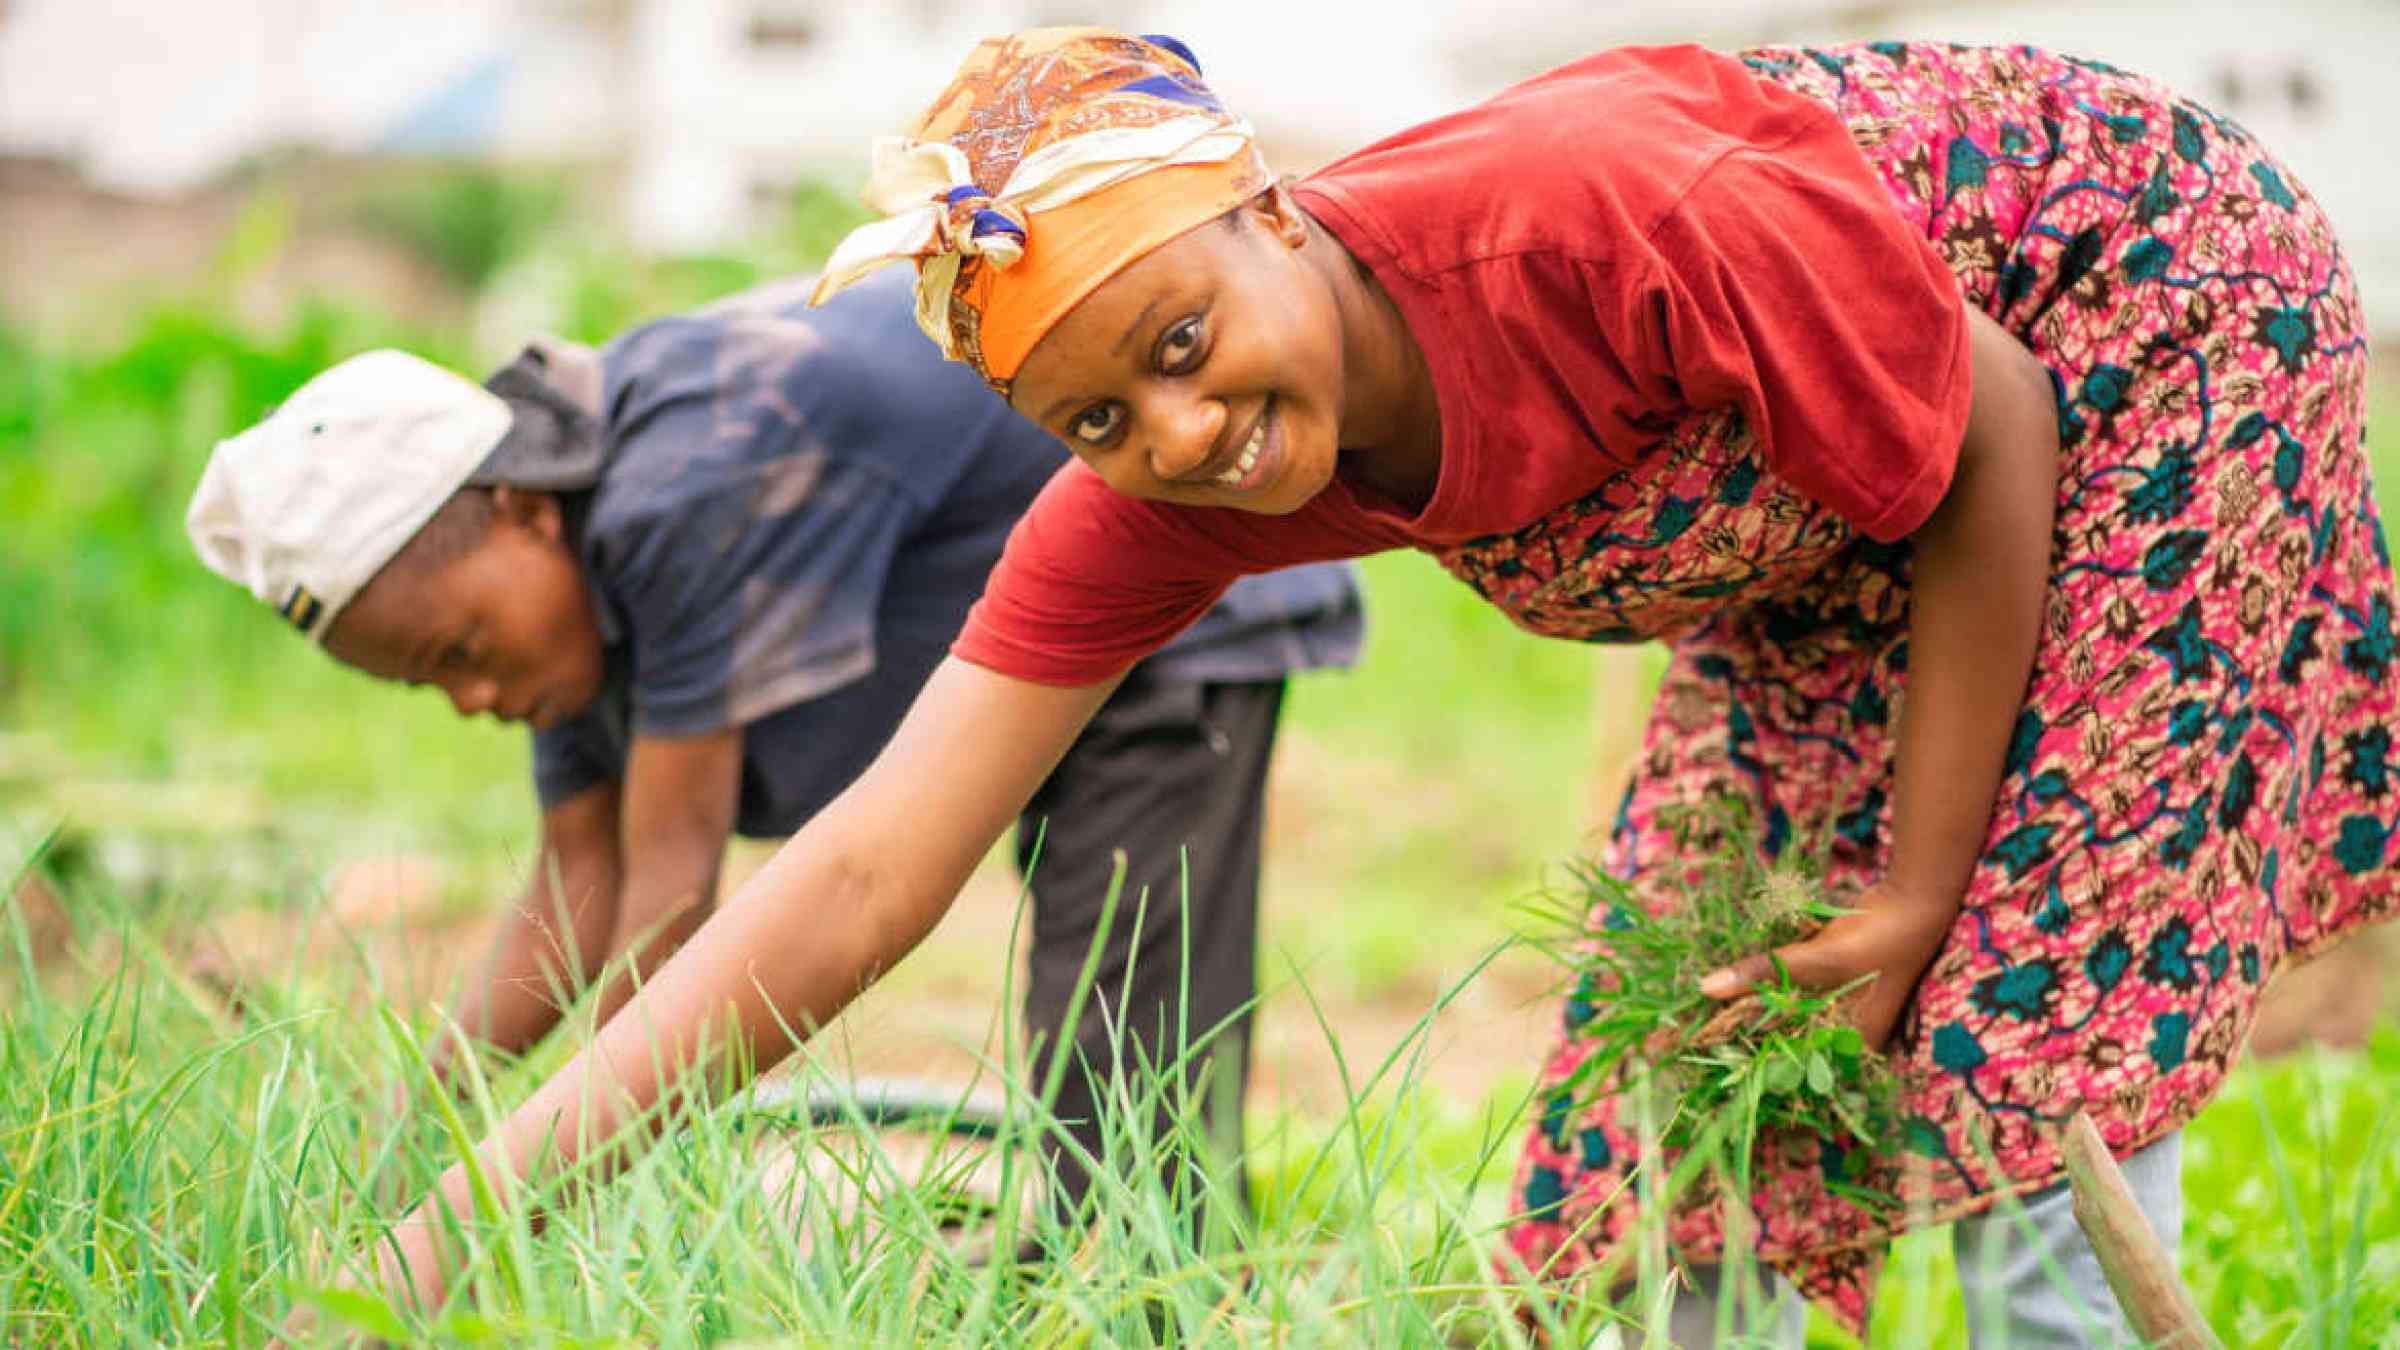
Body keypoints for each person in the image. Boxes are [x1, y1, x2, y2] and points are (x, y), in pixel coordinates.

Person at [356, 29, 2391, 1343]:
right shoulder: (1158, 487)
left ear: (1272, 206)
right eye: (1092, 416)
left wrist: (1925, 890)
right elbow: (865, 870)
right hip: (1830, 500)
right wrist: (435, 1248)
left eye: (1180, 334)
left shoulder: (1590, 222)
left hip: (2133, 350)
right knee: (1686, 1043)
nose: (1180, 425)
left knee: (2033, 997)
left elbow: (1992, 430)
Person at [184, 269, 1364, 1226]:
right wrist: (405, 1151)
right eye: (430, 684)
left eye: (461, 649)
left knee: (1119, 1029)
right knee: (1097, 1054)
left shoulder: (683, 488)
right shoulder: (572, 577)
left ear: (527, 511)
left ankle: (1157, 1286)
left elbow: (666, 897)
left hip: (1175, 597)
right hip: (1027, 639)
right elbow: (575, 884)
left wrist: (532, 1193)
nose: (472, 697)